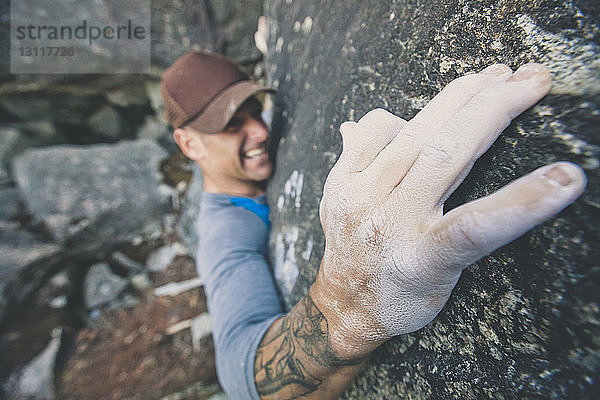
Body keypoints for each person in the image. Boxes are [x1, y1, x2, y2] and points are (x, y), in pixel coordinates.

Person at [160, 51, 587, 400]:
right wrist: (346, 306)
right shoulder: (223, 231)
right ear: (188, 143)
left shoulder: (243, 160)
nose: (257, 131)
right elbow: (239, 373)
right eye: (230, 124)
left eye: (257, 110)